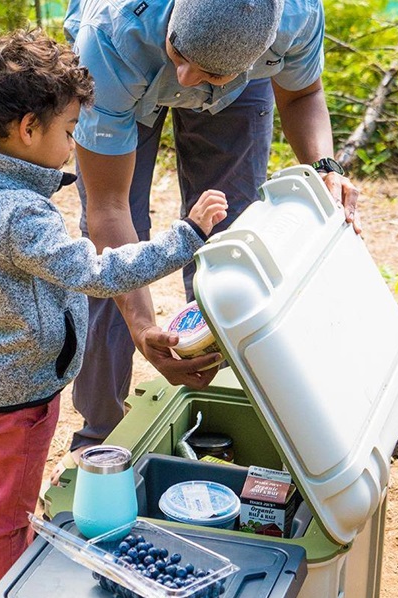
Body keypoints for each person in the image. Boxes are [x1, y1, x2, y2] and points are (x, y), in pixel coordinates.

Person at [0, 28, 228, 598]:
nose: (74, 145)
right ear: (28, 129)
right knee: (9, 516)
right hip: (17, 391)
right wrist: (186, 236)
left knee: (12, 492)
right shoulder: (20, 215)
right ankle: (6, 589)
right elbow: (101, 274)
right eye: (69, 132)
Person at [60, 0, 361, 463]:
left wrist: (324, 167)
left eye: (207, 74)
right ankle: (102, 434)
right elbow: (109, 208)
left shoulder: (296, 16)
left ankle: (217, 405)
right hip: (131, 66)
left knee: (229, 239)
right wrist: (143, 328)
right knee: (106, 267)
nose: (185, 80)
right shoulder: (114, 35)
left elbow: (302, 94)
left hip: (242, 80)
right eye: (179, 55)